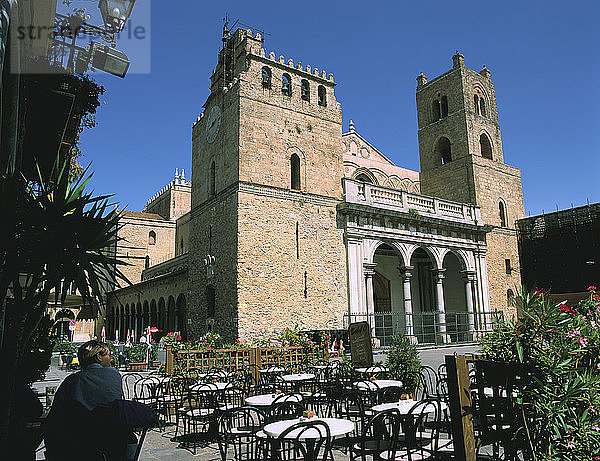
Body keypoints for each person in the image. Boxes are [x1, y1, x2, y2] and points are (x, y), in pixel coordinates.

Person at [45, 340, 138, 460]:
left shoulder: (72, 381)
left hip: (80, 443)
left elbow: (55, 416)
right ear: (99, 357)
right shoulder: (114, 375)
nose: (111, 359)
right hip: (112, 442)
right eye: (108, 355)